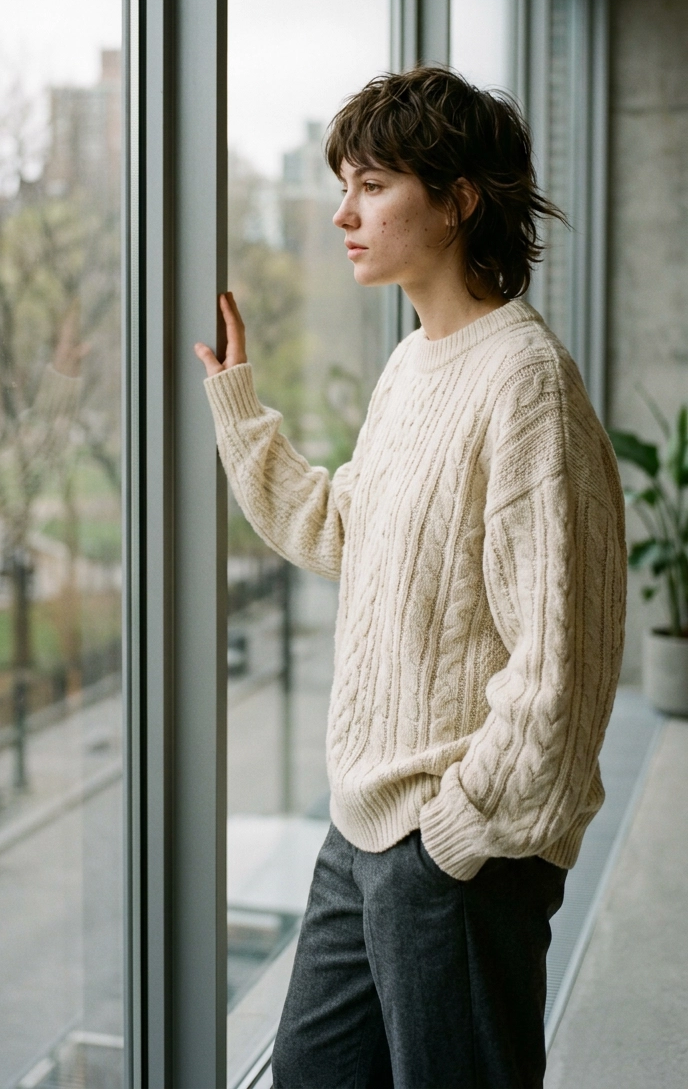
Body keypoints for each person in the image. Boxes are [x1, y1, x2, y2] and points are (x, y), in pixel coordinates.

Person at [194, 66, 626, 1089]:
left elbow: (563, 664)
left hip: (455, 852)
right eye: (344, 183)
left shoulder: (528, 383)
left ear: (458, 197)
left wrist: (458, 831)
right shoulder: (410, 364)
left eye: (373, 184)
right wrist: (240, 412)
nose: (343, 210)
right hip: (363, 831)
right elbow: (344, 529)